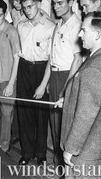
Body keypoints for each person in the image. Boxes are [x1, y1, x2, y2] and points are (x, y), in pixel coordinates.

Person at [60, 12, 101, 177]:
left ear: (98, 34)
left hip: (85, 153)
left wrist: (71, 149)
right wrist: (68, 99)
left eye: (84, 30)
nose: (79, 34)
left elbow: (86, 115)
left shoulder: (93, 67)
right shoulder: (95, 58)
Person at [16, 0, 55, 165]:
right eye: (24, 8)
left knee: (41, 115)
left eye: (30, 6)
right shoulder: (21, 26)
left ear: (39, 4)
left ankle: (41, 155)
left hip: (42, 69)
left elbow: (51, 59)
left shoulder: (50, 27)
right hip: (24, 69)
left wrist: (43, 84)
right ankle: (26, 153)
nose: (27, 10)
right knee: (24, 112)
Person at [45, 0, 83, 167]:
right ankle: (57, 163)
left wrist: (66, 88)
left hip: (67, 76)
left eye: (60, 3)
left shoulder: (76, 26)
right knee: (54, 123)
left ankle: (64, 168)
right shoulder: (59, 23)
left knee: (63, 125)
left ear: (71, 2)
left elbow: (77, 60)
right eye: (54, 3)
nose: (56, 7)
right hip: (55, 75)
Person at [0, 0, 20, 153]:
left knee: (6, 116)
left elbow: (17, 58)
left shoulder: (12, 31)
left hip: (7, 80)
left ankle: (4, 148)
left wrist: (11, 84)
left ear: (5, 14)